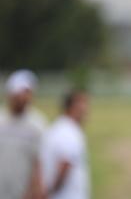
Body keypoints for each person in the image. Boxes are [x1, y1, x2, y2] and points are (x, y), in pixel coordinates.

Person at [0, 69, 47, 199]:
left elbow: (39, 163)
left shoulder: (37, 125)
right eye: (20, 93)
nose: (24, 98)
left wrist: (36, 191)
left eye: (28, 93)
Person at [40, 90, 90, 199]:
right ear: (72, 107)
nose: (86, 109)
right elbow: (64, 165)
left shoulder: (58, 128)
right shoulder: (69, 132)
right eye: (83, 104)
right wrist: (49, 192)